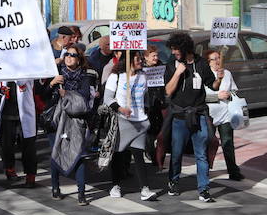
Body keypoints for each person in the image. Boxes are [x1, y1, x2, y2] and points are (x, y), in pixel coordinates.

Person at [163, 32, 216, 202]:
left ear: (186, 49)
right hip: (179, 116)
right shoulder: (172, 64)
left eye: (176, 50)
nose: (173, 53)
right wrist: (178, 73)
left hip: (198, 114)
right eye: (172, 50)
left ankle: (204, 189)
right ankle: (173, 180)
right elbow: (168, 91)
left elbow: (212, 85)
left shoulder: (201, 63)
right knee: (177, 152)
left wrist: (220, 78)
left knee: (201, 153)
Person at [47, 43, 98, 205]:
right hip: (55, 121)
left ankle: (81, 193)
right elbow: (42, 95)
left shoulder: (85, 76)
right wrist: (51, 83)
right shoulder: (55, 74)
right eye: (67, 55)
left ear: (79, 59)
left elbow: (83, 99)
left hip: (76, 122)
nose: (69, 58)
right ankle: (55, 187)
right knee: (57, 153)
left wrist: (66, 94)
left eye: (73, 55)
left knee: (79, 156)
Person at [103, 51, 157, 201]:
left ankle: (145, 189)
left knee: (138, 154)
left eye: (141, 58)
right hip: (122, 121)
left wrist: (145, 109)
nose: (140, 61)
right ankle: (115, 185)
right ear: (129, 60)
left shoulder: (143, 75)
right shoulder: (116, 76)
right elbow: (107, 98)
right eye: (137, 58)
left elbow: (145, 96)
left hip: (140, 121)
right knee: (119, 155)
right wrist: (120, 108)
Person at [0, 79, 38, 187]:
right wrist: (1, 90)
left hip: (25, 114)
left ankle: (30, 175)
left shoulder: (25, 70)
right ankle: (9, 168)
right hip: (7, 113)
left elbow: (22, 82)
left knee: (28, 147)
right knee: (6, 145)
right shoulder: (6, 69)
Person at [206, 50, 244, 181]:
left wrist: (230, 94)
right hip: (209, 115)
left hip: (226, 114)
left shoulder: (227, 73)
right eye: (214, 59)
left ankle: (233, 171)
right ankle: (205, 170)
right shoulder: (205, 74)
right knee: (209, 143)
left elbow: (234, 89)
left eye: (218, 58)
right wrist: (217, 96)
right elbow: (199, 97)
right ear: (208, 62)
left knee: (228, 143)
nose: (217, 61)